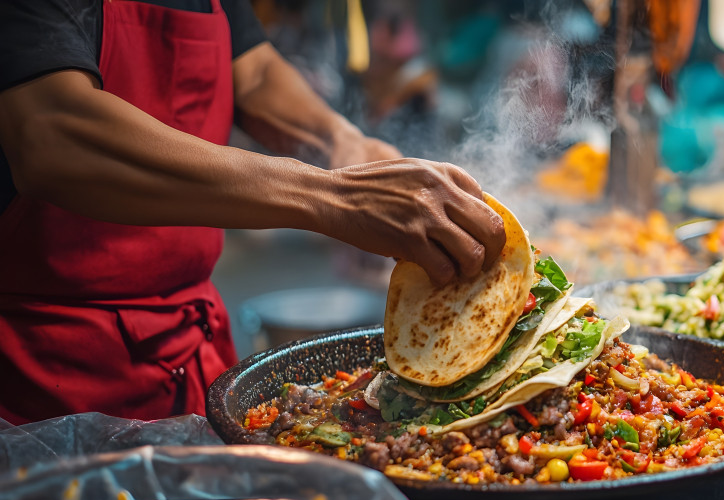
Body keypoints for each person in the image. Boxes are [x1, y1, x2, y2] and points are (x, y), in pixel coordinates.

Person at [0, 0, 506, 425]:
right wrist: (336, 197)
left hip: (192, 354)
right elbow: (52, 131)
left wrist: (348, 148)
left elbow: (256, 70)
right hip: (45, 380)